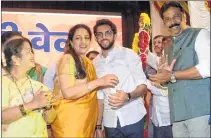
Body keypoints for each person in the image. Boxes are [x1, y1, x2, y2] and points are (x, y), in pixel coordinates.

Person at [149, 2, 210, 137]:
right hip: (176, 113)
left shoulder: (200, 34)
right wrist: (162, 79)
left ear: (184, 16)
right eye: (167, 19)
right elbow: (170, 79)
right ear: (164, 23)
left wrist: (170, 75)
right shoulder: (169, 46)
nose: (173, 22)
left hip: (199, 111)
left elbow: (207, 68)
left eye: (176, 16)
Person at [51, 24, 119, 138]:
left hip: (85, 122)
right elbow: (68, 93)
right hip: (69, 123)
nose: (83, 41)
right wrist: (99, 82)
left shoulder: (88, 62)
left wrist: (97, 126)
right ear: (71, 42)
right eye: (78, 38)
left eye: (86, 38)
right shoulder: (67, 59)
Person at [93, 19, 147, 138]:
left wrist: (127, 96)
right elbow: (100, 97)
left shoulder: (128, 54)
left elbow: (143, 86)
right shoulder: (95, 63)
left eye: (108, 33)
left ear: (115, 35)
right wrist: (98, 126)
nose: (104, 37)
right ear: (96, 38)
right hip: (110, 122)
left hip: (133, 116)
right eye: (100, 34)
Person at [2, 37, 56, 137]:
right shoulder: (3, 84)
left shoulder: (39, 86)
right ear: (15, 59)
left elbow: (50, 119)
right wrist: (34, 104)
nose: (32, 55)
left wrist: (48, 107)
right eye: (28, 51)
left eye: (32, 51)